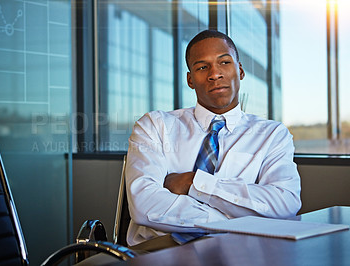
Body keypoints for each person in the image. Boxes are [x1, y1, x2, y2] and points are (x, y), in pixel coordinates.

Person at [125, 30, 301, 248]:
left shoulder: (272, 135)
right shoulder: (155, 125)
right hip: (156, 250)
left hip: (238, 252)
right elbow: (144, 206)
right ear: (190, 79)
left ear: (240, 70)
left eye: (224, 62)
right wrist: (236, 221)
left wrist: (194, 183)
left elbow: (285, 203)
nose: (214, 74)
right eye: (201, 67)